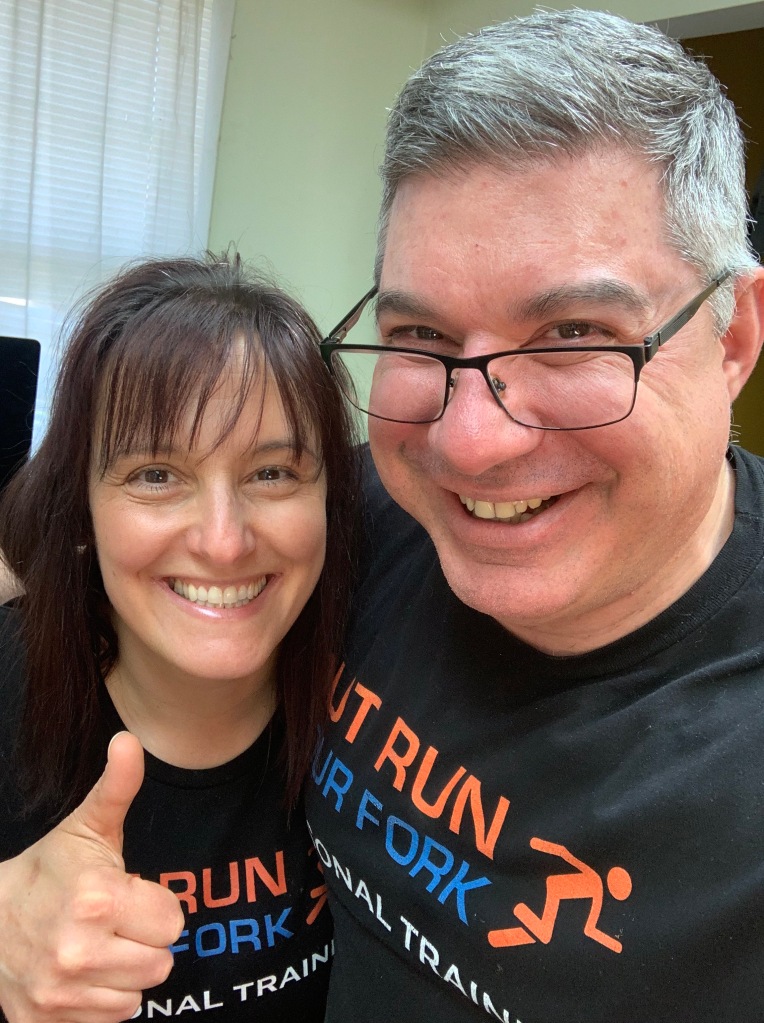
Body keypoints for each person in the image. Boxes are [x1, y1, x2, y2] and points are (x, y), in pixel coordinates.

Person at [307, 9, 764, 1022]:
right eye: (420, 335)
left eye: (572, 333)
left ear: (732, 336)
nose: (470, 445)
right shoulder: (359, 516)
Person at [0, 253, 359, 1022]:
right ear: (83, 509)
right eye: (156, 474)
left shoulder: (376, 683)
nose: (223, 542)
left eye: (273, 472)